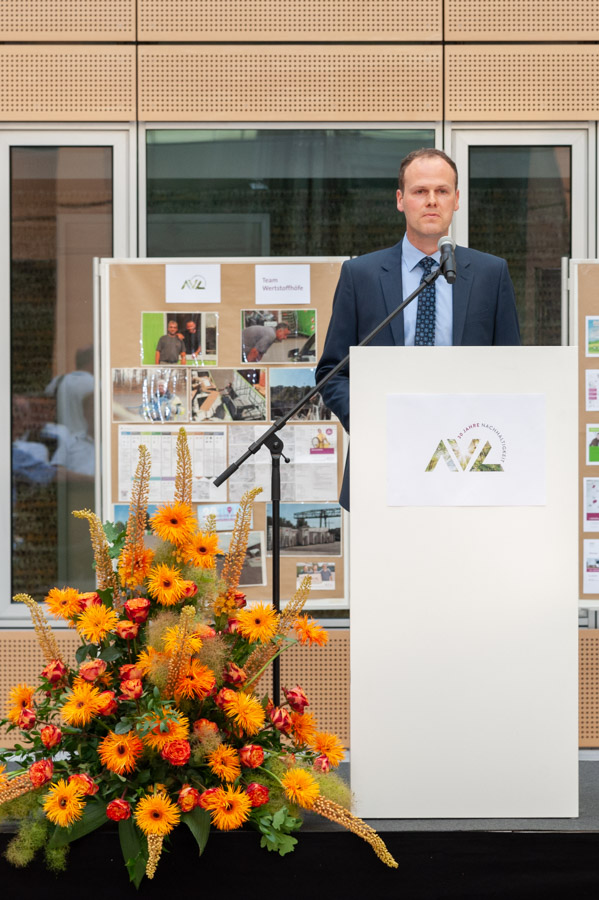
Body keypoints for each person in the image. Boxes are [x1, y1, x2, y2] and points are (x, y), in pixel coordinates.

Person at [315, 148, 521, 510]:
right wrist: (376, 423)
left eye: (442, 191)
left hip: (467, 466)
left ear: (457, 200)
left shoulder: (491, 274)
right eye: (419, 191)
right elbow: (332, 374)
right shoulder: (360, 275)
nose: (431, 201)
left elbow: (511, 373)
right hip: (383, 462)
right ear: (400, 200)